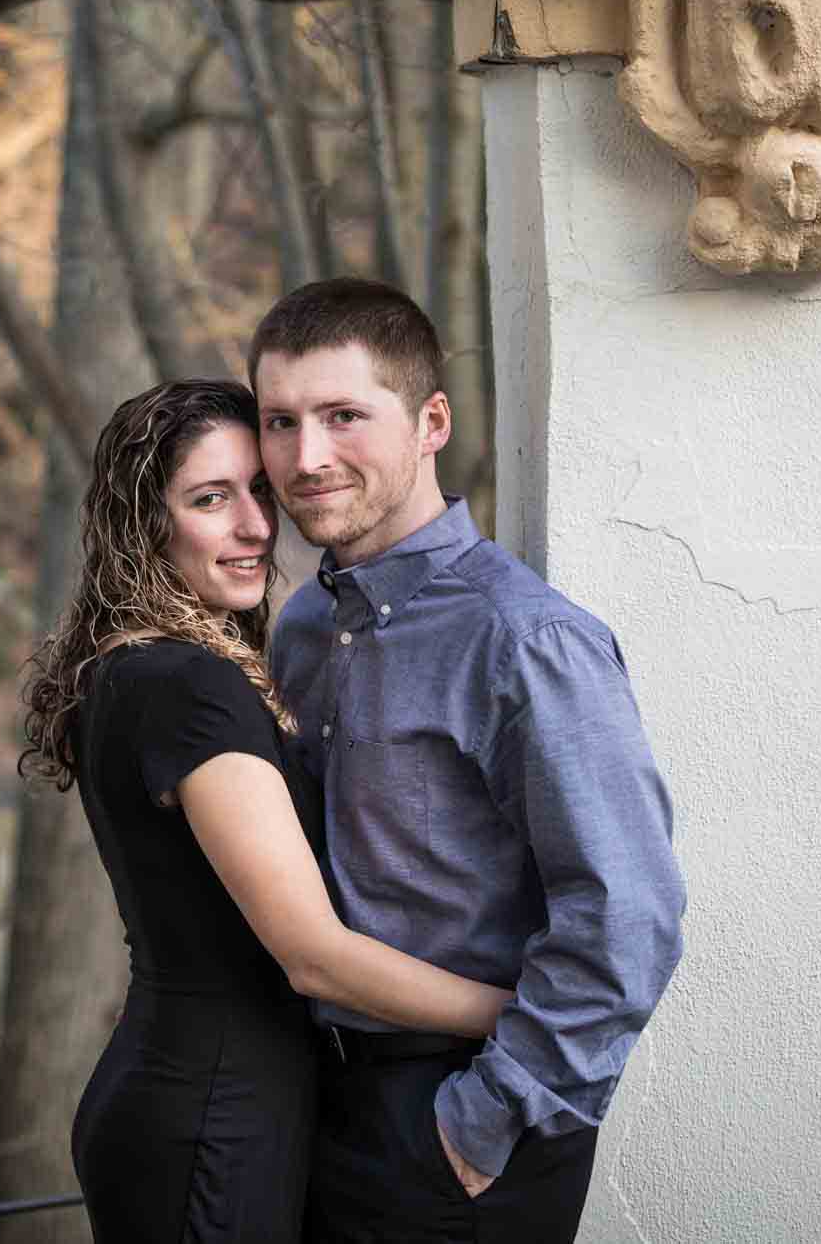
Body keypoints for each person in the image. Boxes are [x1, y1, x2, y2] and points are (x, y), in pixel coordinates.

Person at [18, 378, 516, 1244]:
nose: (255, 526)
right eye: (211, 499)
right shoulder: (186, 684)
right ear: (146, 524)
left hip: (205, 1095)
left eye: (259, 490)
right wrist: (519, 1012)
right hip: (211, 1113)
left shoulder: (139, 663)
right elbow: (314, 957)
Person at [251, 278, 687, 1244]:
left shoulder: (526, 640)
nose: (306, 456)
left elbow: (627, 918)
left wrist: (477, 1128)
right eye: (280, 421)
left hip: (461, 1122)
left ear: (431, 420)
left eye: (343, 416)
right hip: (322, 1100)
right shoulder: (307, 626)